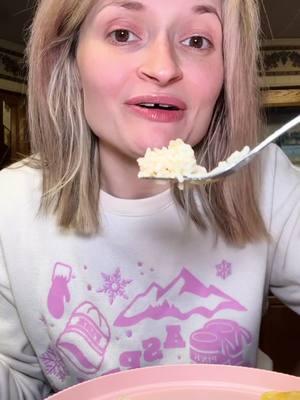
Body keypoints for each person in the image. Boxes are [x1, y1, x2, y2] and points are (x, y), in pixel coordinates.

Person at [0, 0, 299, 398]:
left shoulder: (263, 179)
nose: (163, 68)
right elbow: (18, 384)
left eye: (197, 40)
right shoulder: (10, 203)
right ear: (68, 57)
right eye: (122, 34)